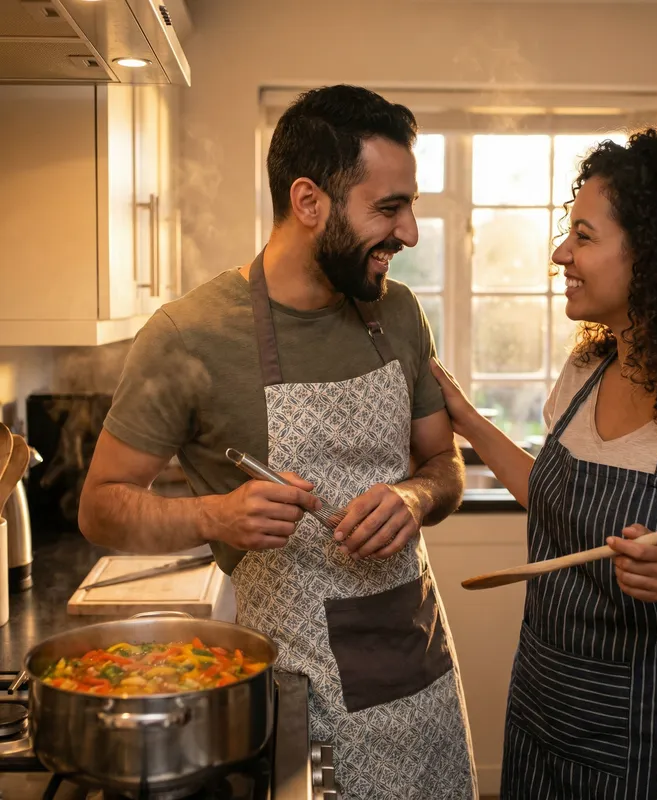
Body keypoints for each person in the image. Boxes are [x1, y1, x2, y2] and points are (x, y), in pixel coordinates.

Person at [79, 84, 478, 800]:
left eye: (410, 205)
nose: (411, 233)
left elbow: (442, 466)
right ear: (308, 202)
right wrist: (212, 516)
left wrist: (414, 497)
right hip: (300, 695)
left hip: (420, 679)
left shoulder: (400, 313)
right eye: (389, 208)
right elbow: (101, 508)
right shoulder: (188, 335)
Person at [431, 128, 657, 799]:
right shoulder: (586, 368)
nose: (559, 253)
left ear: (655, 255)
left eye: (584, 236)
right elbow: (550, 496)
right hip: (540, 711)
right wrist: (465, 417)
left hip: (654, 743)